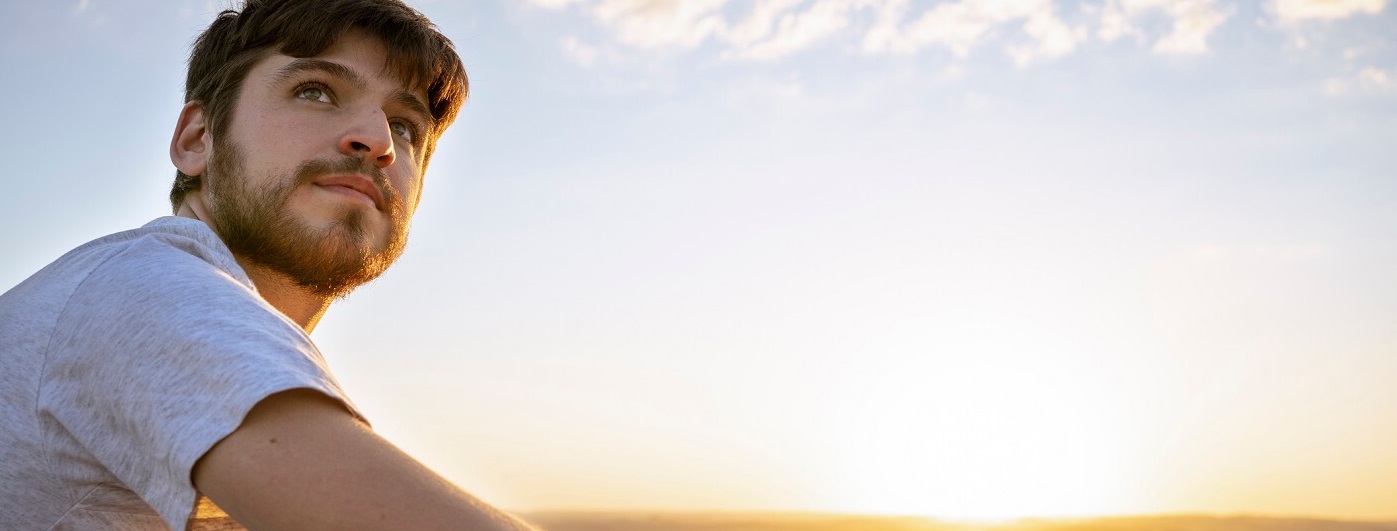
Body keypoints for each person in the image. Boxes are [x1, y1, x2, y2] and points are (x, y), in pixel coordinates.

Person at [0, 1, 538, 529]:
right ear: (197, 140)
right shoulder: (146, 292)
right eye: (316, 91)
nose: (378, 142)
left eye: (404, 127)